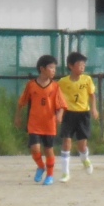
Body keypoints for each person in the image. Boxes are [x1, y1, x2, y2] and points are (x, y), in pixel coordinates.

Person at [15, 54, 67, 186]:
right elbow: (22, 102)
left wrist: (60, 114)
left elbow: (61, 104)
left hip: (49, 123)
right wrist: (18, 116)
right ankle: (41, 166)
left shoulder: (55, 86)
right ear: (42, 69)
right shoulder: (31, 85)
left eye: (55, 68)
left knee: (49, 150)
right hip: (34, 123)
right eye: (51, 68)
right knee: (35, 149)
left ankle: (50, 175)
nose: (54, 70)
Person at [58, 51, 98, 182]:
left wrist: (94, 109)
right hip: (68, 114)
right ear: (71, 66)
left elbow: (92, 95)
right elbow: (59, 99)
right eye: (80, 65)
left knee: (81, 145)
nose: (82, 67)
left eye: (84, 65)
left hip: (83, 114)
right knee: (66, 142)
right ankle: (65, 173)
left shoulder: (87, 79)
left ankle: (85, 159)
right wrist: (59, 113)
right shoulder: (63, 82)